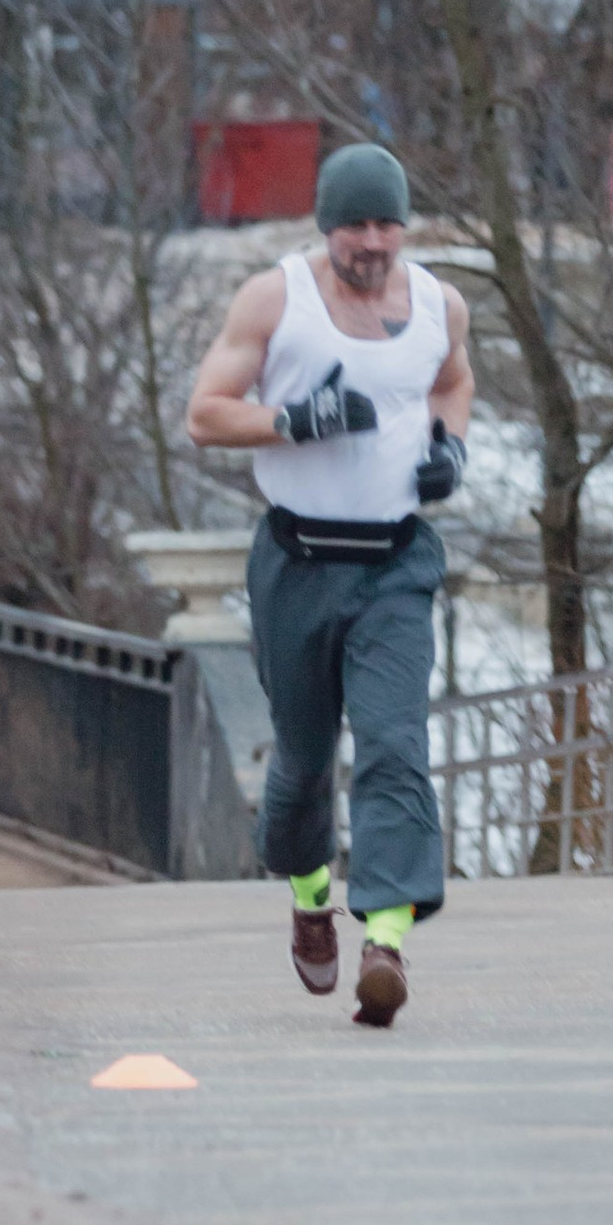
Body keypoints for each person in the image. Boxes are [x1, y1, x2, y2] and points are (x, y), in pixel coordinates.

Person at [186, 140, 473, 1027]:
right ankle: (311, 893)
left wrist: (448, 452)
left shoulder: (439, 303)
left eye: (388, 224)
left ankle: (386, 940)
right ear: (327, 226)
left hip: (394, 563)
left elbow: (453, 384)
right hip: (298, 563)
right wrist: (295, 420)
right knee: (304, 762)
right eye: (355, 225)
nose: (373, 243)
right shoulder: (278, 299)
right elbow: (204, 414)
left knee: (393, 746)